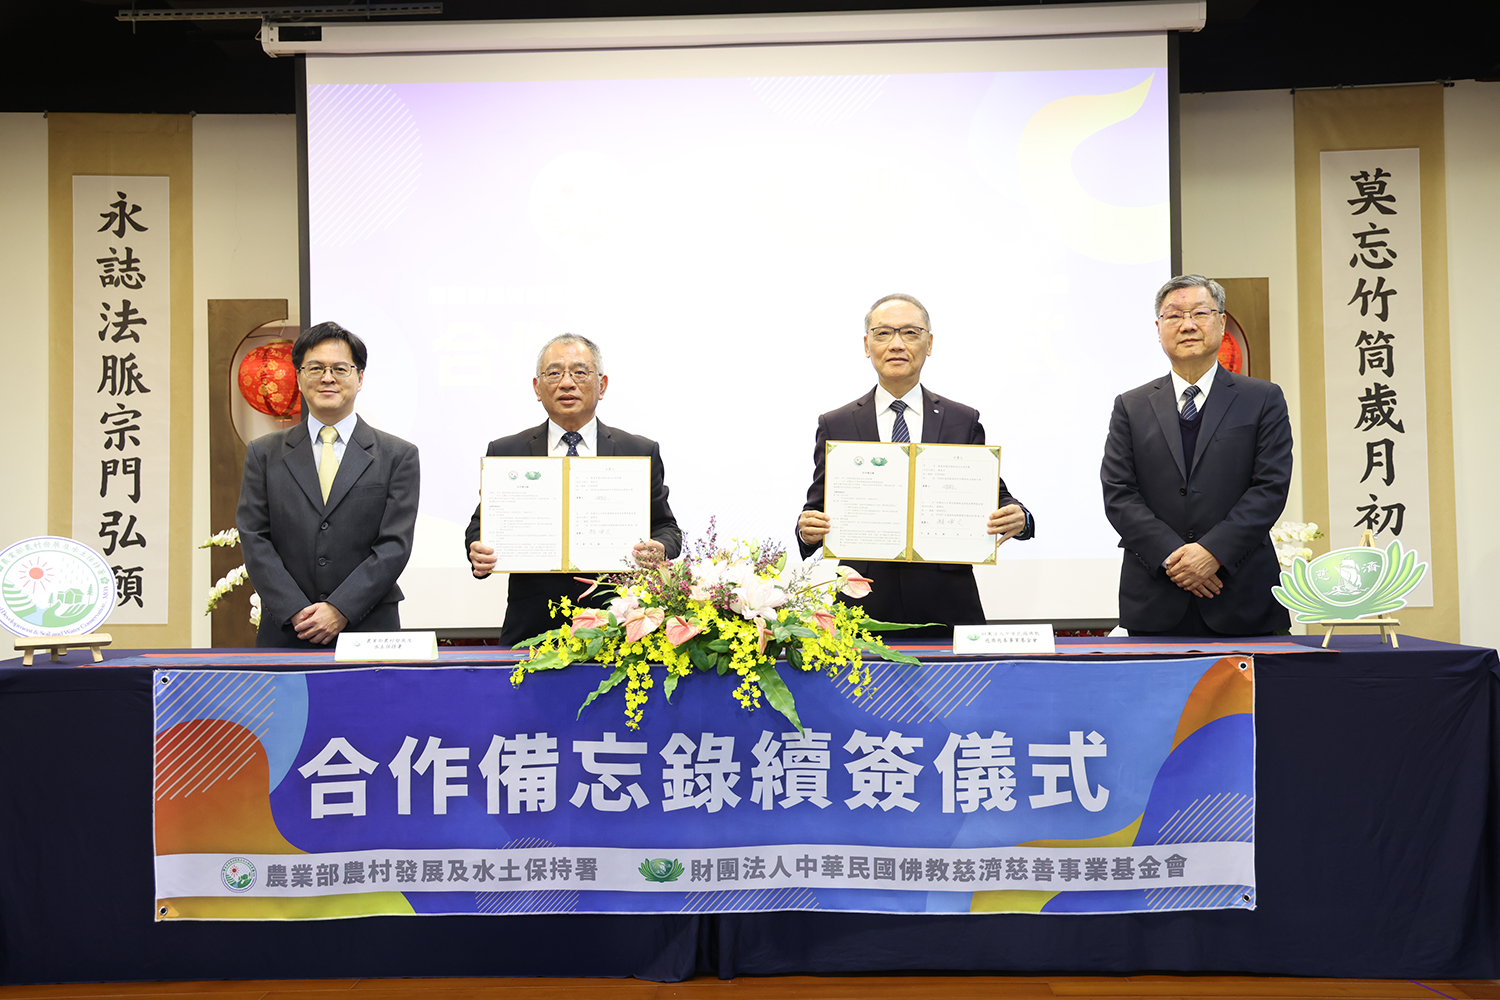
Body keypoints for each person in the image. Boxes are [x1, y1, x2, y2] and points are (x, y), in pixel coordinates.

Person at [796, 293, 1034, 636]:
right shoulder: (837, 424)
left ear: (929, 343)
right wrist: (806, 530)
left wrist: (1020, 518)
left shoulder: (961, 419)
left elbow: (994, 496)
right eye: (883, 333)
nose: (896, 344)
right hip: (864, 606)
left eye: (910, 332)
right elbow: (816, 509)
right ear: (866, 345)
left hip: (946, 604)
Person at [1101, 275, 1293, 636]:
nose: (1187, 325)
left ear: (1221, 322)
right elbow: (1119, 494)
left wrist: (1213, 553)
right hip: (1156, 598)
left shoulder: (1263, 398)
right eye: (1174, 315)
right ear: (1158, 329)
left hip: (1242, 597)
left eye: (1200, 313)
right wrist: (1176, 559)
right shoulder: (1131, 405)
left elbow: (1270, 487)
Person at [464, 334, 682, 646]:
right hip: (532, 626)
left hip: (618, 625)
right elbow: (481, 525)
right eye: (554, 373)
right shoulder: (507, 451)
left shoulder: (638, 451)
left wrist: (659, 548)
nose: (567, 383)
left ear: (602, 385)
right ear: (537, 388)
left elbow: (666, 528)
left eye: (580, 372)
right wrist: (477, 548)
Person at [237, 322, 419, 647]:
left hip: (368, 628)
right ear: (298, 377)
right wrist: (295, 610)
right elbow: (255, 538)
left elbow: (394, 546)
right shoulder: (263, 453)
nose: (327, 378)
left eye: (340, 368)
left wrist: (340, 608)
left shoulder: (398, 455)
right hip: (288, 629)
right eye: (315, 368)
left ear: (359, 378)